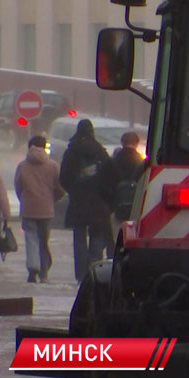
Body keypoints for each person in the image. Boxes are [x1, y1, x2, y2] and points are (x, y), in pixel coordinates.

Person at [59, 119, 115, 283]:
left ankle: (81, 274)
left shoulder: (71, 151)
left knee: (79, 238)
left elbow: (64, 177)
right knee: (98, 235)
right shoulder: (100, 152)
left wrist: (74, 190)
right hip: (98, 202)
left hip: (78, 201)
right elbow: (110, 176)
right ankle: (94, 268)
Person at [14, 136, 66, 283]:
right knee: (44, 241)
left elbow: (18, 186)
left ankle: (32, 267)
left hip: (29, 208)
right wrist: (52, 199)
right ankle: (44, 274)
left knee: (31, 239)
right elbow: (60, 187)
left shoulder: (23, 166)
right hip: (46, 209)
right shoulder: (53, 166)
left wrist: (24, 199)